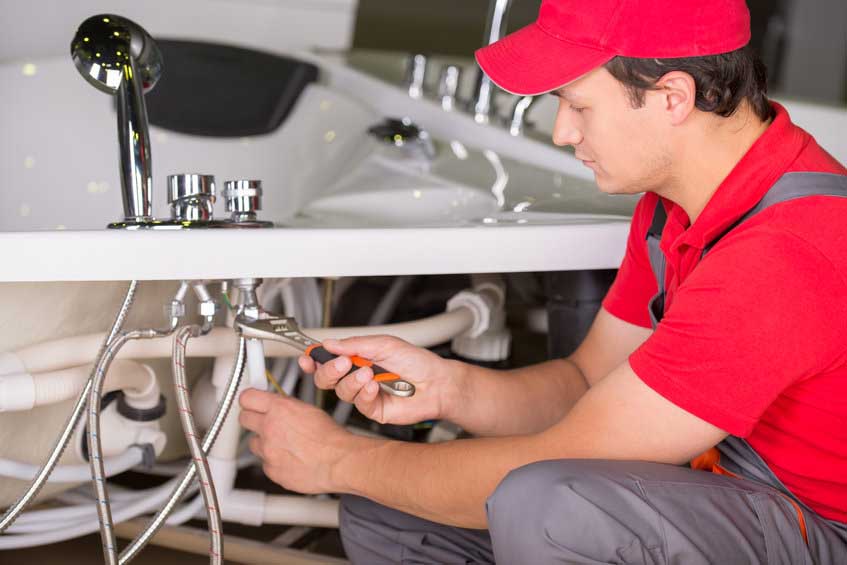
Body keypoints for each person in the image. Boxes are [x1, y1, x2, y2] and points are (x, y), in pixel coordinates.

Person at [238, 0, 847, 562]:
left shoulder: (785, 250)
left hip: (820, 528)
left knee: (552, 506)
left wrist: (341, 459)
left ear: (673, 97)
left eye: (578, 104)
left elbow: (569, 456)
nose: (563, 133)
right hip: (730, 492)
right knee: (392, 511)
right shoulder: (674, 207)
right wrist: (451, 389)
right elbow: (585, 381)